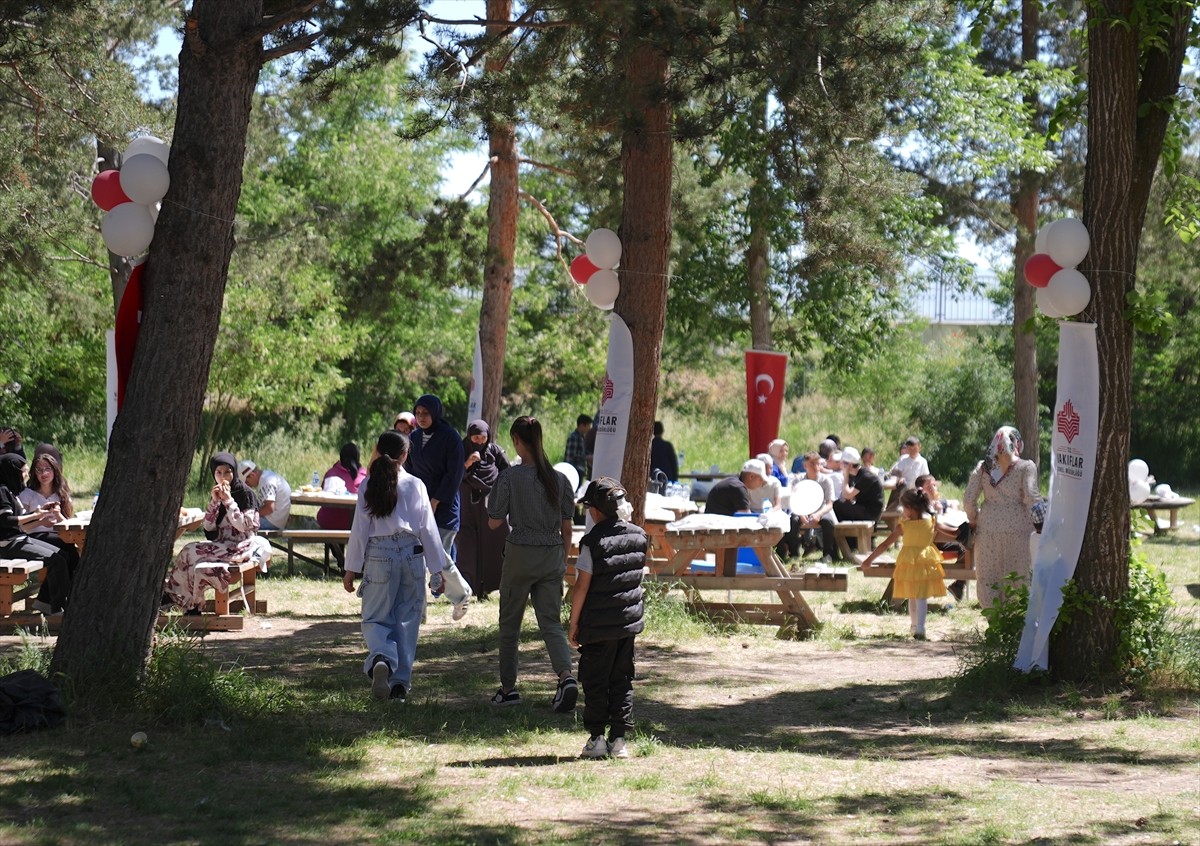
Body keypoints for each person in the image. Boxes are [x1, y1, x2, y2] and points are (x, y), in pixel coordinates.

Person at [342, 430, 455, 702]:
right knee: (407, 619)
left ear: (378, 450)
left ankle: (382, 657)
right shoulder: (415, 485)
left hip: (378, 555)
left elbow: (359, 530)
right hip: (411, 554)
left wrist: (351, 568)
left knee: (375, 617)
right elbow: (428, 529)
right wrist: (437, 569)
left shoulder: (368, 485)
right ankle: (400, 686)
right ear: (405, 455)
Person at [487, 415, 578, 711]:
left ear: (516, 440)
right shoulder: (560, 480)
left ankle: (508, 688)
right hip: (552, 554)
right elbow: (567, 528)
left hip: (519, 555)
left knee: (510, 624)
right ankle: (566, 677)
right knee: (551, 623)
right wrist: (563, 559)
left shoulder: (510, 477)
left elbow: (494, 521)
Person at [568, 477, 647, 759]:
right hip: (627, 624)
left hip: (598, 626)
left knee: (595, 680)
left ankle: (596, 738)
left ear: (596, 510)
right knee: (622, 679)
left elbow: (582, 586)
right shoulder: (640, 536)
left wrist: (573, 623)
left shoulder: (592, 542)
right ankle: (619, 741)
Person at [165, 453, 272, 614]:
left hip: (242, 545)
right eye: (219, 473)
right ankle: (179, 597)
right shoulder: (217, 494)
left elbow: (244, 526)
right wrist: (215, 502)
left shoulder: (246, 494)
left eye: (227, 472)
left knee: (200, 565)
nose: (223, 477)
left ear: (234, 472)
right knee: (188, 551)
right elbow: (208, 527)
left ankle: (195, 604)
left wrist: (229, 501)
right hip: (222, 544)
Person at [963, 426, 1039, 609]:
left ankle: (994, 620)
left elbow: (968, 500)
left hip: (987, 528)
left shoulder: (983, 468)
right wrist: (1041, 525)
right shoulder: (1026, 467)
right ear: (1017, 443)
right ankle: (1016, 620)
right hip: (1020, 529)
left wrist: (974, 518)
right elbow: (1032, 497)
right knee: (1018, 575)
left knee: (988, 578)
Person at [859, 488, 947, 639]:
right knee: (920, 596)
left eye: (904, 507)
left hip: (908, 563)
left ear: (910, 508)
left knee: (913, 596)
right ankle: (918, 627)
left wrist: (869, 560)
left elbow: (885, 544)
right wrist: (963, 532)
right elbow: (951, 531)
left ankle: (916, 626)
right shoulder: (932, 521)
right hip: (925, 561)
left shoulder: (903, 525)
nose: (902, 511)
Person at [0, 453, 74, 614]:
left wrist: (38, 513)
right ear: (12, 471)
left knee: (62, 555)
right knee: (57, 560)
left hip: (19, 538)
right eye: (23, 471)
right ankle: (58, 609)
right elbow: (6, 520)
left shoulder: (10, 490)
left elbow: (19, 519)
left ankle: (50, 604)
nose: (26, 475)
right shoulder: (2, 490)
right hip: (8, 544)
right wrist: (36, 515)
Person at [405, 394, 464, 561]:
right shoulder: (414, 437)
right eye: (418, 413)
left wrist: (436, 500)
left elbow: (454, 473)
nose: (421, 417)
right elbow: (409, 469)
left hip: (444, 505)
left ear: (435, 413)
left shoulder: (450, 437)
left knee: (442, 558)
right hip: (421, 503)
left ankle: (453, 581)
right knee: (420, 557)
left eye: (426, 413)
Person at [458, 419, 510, 599]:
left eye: (483, 438)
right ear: (469, 437)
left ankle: (492, 586)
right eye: (476, 438)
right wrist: (467, 464)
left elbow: (507, 473)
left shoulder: (495, 451)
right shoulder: (461, 450)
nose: (480, 442)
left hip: (491, 507)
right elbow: (453, 475)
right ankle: (468, 587)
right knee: (468, 548)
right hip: (468, 508)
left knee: (495, 545)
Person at [820, 446, 884, 562]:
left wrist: (845, 475)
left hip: (871, 513)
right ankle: (846, 547)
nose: (840, 465)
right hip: (862, 508)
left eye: (842, 463)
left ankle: (845, 547)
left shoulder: (866, 476)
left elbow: (847, 495)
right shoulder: (855, 475)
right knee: (838, 509)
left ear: (849, 465)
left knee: (836, 506)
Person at [794, 452, 837, 559]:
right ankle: (794, 553)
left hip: (822, 510)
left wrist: (818, 514)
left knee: (828, 522)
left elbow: (829, 504)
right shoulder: (798, 480)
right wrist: (801, 514)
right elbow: (794, 501)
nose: (816, 467)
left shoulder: (826, 480)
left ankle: (828, 554)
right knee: (793, 521)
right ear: (805, 466)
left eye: (818, 464)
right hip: (803, 510)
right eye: (812, 464)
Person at [317, 443, 368, 531]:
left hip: (327, 522)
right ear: (358, 458)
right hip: (354, 525)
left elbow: (322, 494)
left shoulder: (331, 473)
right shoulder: (365, 476)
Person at [238, 460, 293, 531]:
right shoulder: (267, 476)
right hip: (275, 520)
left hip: (272, 522)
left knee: (239, 526)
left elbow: (269, 508)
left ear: (252, 475)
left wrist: (253, 515)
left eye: (247, 482)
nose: (248, 485)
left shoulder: (266, 481)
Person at [18, 453, 74, 519]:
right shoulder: (27, 494)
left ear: (54, 470)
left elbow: (68, 522)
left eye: (48, 468)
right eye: (39, 470)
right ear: (34, 473)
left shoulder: (63, 494)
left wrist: (57, 514)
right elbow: (23, 521)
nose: (43, 473)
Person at [564, 414, 592, 482]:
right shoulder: (574, 437)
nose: (589, 428)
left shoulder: (582, 437)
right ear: (582, 425)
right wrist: (587, 457)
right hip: (572, 471)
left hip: (579, 471)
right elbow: (571, 457)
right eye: (588, 426)